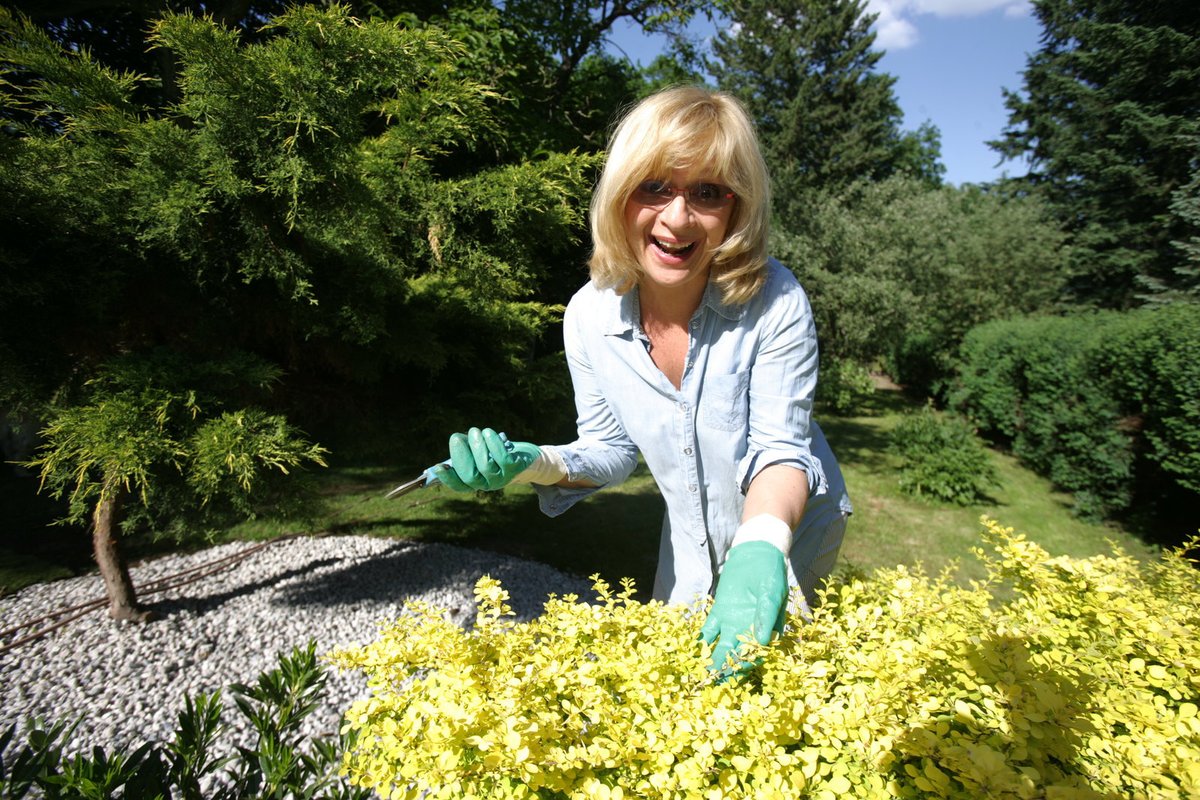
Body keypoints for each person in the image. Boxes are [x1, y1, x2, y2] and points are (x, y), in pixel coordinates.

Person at [431, 85, 852, 675]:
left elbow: (781, 450)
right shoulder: (588, 316)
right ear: (620, 193)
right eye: (654, 186)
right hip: (689, 527)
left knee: (768, 680)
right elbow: (610, 450)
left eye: (708, 192)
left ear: (736, 208)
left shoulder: (776, 301)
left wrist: (760, 548)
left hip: (788, 523)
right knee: (677, 676)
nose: (677, 218)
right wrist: (532, 462)